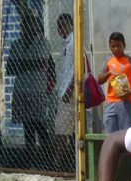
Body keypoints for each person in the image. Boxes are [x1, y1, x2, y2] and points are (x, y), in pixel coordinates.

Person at [6, 13, 55, 166]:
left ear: (36, 27)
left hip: (37, 90)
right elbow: (9, 69)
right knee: (27, 125)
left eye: (30, 25)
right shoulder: (16, 44)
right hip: (21, 90)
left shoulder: (43, 42)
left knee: (39, 124)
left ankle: (48, 157)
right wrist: (30, 64)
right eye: (24, 26)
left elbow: (42, 62)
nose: (26, 28)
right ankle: (30, 158)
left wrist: (22, 64)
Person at [98, 32, 131, 133]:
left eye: (118, 46)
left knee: (127, 135)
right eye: (113, 46)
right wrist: (109, 72)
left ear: (124, 45)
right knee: (111, 135)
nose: (115, 49)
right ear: (110, 47)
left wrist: (130, 93)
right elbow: (99, 80)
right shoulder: (108, 61)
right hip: (111, 103)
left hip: (126, 102)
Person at [54, 13, 76, 172]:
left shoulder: (74, 42)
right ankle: (71, 162)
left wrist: (69, 89)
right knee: (70, 129)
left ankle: (57, 163)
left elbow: (78, 69)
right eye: (58, 26)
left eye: (63, 25)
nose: (60, 29)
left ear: (70, 25)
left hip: (70, 94)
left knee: (61, 130)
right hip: (67, 92)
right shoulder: (68, 42)